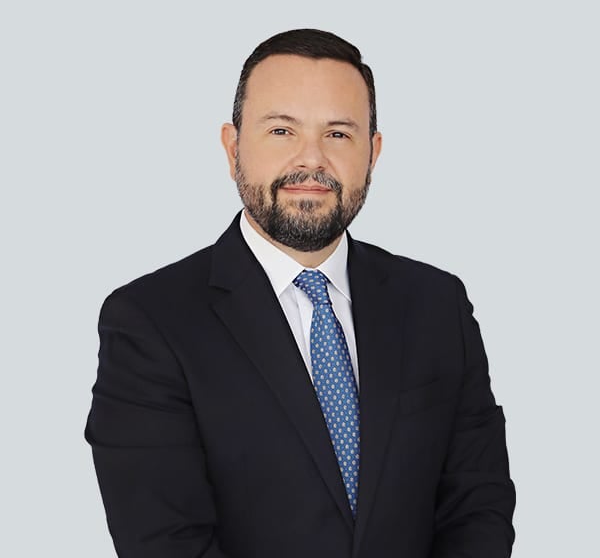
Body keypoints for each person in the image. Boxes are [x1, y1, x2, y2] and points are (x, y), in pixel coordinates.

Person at [84, 28, 516, 558]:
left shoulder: (438, 305)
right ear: (233, 147)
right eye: (282, 130)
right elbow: (166, 541)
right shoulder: (149, 322)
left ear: (373, 152)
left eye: (338, 134)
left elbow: (477, 506)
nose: (311, 161)